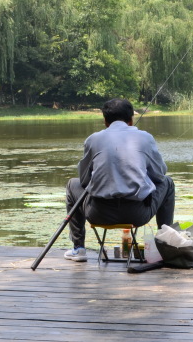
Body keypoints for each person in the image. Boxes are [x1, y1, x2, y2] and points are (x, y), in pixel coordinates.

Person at [63, 98, 175, 262]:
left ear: (105, 121)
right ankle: (165, 247)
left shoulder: (93, 139)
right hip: (137, 214)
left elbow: (84, 180)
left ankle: (78, 248)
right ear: (131, 119)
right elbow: (159, 176)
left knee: (72, 184)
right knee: (168, 182)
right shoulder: (145, 138)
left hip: (98, 213)